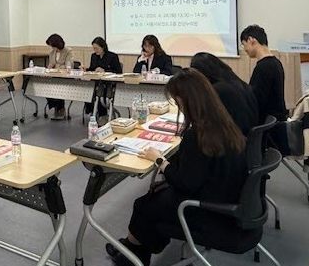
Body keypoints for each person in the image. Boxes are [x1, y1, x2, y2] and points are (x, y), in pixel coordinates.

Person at [106, 68, 247, 266]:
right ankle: (133, 249)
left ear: (187, 100)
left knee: (144, 205)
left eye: (177, 101)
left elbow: (185, 183)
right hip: (227, 200)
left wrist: (160, 161)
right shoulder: (224, 122)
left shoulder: (197, 136)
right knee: (154, 199)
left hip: (207, 211)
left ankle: (134, 255)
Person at [190, 52, 259, 136]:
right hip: (247, 135)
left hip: (235, 138)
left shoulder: (219, 90)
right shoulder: (236, 82)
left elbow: (207, 119)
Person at [240, 25, 287, 122]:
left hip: (268, 125)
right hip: (276, 121)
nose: (244, 49)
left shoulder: (264, 67)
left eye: (244, 44)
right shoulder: (276, 63)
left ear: (251, 40)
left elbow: (256, 100)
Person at [83, 36, 122, 125]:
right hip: (97, 81)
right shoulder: (93, 56)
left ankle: (103, 114)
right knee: (87, 90)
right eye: (94, 48)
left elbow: (118, 71)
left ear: (103, 47)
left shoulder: (112, 56)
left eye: (97, 48)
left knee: (99, 92)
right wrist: (86, 69)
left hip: (108, 83)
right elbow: (92, 68)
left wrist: (104, 71)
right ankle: (94, 112)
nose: (95, 50)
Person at [45, 33, 74, 120]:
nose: (52, 48)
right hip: (54, 76)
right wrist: (49, 68)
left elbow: (69, 65)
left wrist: (57, 67)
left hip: (65, 77)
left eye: (53, 46)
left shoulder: (68, 51)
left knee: (58, 85)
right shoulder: (52, 53)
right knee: (46, 87)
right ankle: (56, 106)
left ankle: (60, 108)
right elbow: (51, 64)